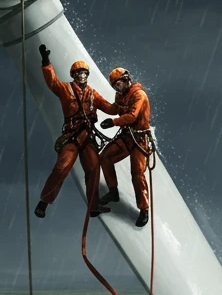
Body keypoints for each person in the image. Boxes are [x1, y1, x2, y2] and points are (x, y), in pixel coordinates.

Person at [34, 45, 119, 219]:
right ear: (73, 75)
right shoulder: (65, 89)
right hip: (71, 137)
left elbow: (109, 108)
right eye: (79, 73)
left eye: (84, 73)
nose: (82, 75)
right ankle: (44, 201)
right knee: (61, 168)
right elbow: (52, 81)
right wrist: (45, 61)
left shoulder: (92, 94)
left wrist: (124, 103)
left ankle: (93, 206)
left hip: (87, 137)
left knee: (94, 168)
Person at [99, 67, 153, 228]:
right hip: (127, 136)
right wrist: (95, 103)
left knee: (137, 174)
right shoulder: (121, 95)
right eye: (115, 85)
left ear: (127, 79)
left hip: (140, 139)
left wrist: (113, 122)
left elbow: (132, 116)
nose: (117, 87)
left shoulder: (139, 95)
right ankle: (113, 191)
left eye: (119, 83)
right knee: (105, 157)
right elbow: (114, 108)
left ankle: (144, 209)